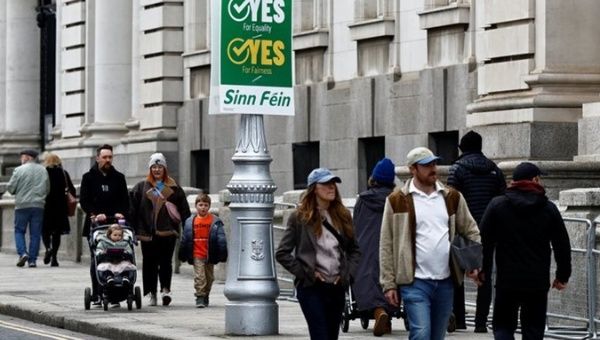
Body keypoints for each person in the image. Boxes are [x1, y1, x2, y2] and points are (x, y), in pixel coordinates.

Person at [379, 147, 481, 340]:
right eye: (426, 165)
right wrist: (389, 284)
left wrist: (473, 262)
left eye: (434, 163)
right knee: (421, 333)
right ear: (413, 169)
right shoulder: (397, 200)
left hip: (446, 281)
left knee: (437, 336)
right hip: (414, 281)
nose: (433, 168)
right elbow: (386, 243)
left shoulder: (452, 197)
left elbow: (471, 230)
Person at [479, 162, 571, 340]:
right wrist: (562, 276)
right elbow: (562, 244)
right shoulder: (548, 208)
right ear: (535, 179)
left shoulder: (498, 205)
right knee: (534, 331)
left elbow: (485, 241)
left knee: (503, 327)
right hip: (536, 282)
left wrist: (483, 269)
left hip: (507, 280)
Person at [276, 168, 361, 340]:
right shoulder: (299, 217)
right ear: (314, 188)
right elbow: (282, 253)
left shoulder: (343, 215)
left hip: (336, 286)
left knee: (331, 335)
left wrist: (346, 276)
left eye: (333, 184)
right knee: (320, 335)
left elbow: (355, 251)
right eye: (326, 184)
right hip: (311, 287)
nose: (332, 188)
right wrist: (307, 273)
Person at [447, 130, 506, 333]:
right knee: (485, 275)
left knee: (457, 274)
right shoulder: (495, 170)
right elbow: (502, 200)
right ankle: (481, 323)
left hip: (463, 230)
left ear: (462, 148)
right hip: (488, 231)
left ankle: (460, 320)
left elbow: (450, 200)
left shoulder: (457, 169)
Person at [130, 153, 191, 307]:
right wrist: (132, 229)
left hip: (167, 232)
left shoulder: (174, 187)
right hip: (147, 233)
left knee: (165, 263)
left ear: (165, 169)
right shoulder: (141, 187)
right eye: (154, 167)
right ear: (150, 169)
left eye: (160, 167)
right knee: (149, 264)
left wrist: (188, 229)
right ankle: (152, 293)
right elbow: (132, 209)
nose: (157, 170)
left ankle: (165, 290)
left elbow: (184, 211)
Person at [352, 158, 397, 336]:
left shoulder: (363, 200)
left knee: (366, 276)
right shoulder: (396, 200)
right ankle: (387, 316)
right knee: (391, 276)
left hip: (366, 248)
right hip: (391, 248)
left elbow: (355, 225)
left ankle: (379, 311)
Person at [80, 144, 130, 305]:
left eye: (110, 157)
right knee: (98, 258)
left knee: (118, 258)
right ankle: (97, 294)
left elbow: (125, 201)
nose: (108, 160)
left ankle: (116, 293)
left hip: (115, 225)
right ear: (97, 158)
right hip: (96, 224)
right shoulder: (88, 177)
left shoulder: (119, 177)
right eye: (105, 157)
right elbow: (84, 200)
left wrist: (121, 212)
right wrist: (94, 214)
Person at [179, 193, 228, 308]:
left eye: (206, 205)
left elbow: (221, 238)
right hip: (197, 253)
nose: (203, 207)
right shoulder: (190, 221)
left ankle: (206, 294)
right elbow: (185, 238)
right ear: (196, 206)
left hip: (210, 253)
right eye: (200, 205)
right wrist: (182, 252)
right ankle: (200, 296)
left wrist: (223, 252)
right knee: (200, 276)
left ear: (209, 206)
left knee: (209, 278)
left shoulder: (215, 221)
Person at [7, 149, 50, 268]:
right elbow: (47, 189)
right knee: (35, 234)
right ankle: (32, 260)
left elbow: (11, 188)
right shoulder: (43, 170)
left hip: (22, 205)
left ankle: (22, 253)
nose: (21, 159)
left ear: (27, 157)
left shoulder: (19, 170)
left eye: (22, 157)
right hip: (38, 205)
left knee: (19, 230)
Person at [42, 153, 76, 267]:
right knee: (57, 233)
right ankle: (54, 258)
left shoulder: (44, 173)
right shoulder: (63, 173)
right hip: (60, 207)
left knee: (45, 230)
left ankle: (48, 248)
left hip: (46, 206)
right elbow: (72, 189)